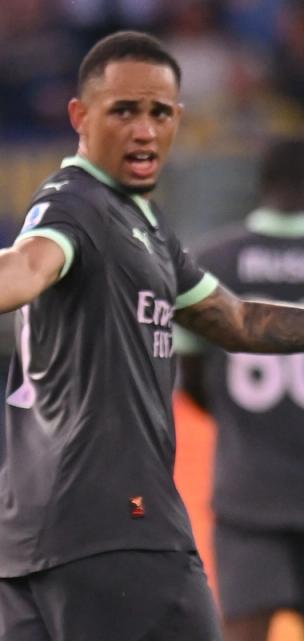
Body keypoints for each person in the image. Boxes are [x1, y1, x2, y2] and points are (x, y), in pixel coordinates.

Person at [0, 30, 304, 641]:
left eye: (160, 112)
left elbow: (235, 321)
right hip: (118, 525)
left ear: (178, 119)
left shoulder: (146, 227)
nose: (145, 130)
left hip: (35, 537)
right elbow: (30, 261)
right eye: (124, 111)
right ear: (80, 116)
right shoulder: (76, 205)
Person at [178, 138, 304, 641]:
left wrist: (235, 423)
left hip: (247, 490)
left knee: (244, 631)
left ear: (261, 185)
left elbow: (192, 383)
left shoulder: (211, 262)